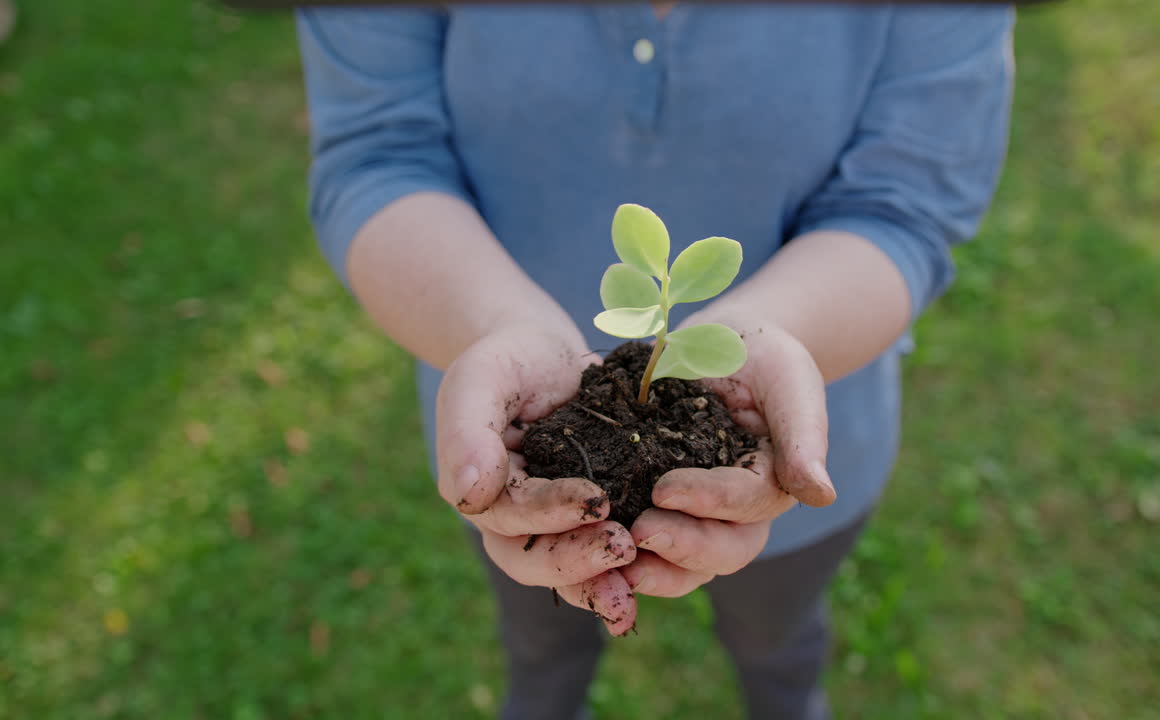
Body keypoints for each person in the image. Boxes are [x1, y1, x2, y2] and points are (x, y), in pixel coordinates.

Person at [296, 3, 1012, 718]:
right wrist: (496, 325)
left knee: (777, 638)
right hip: (509, 438)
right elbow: (379, 154)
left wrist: (769, 329)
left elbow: (905, 200)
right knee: (543, 644)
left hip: (790, 433)